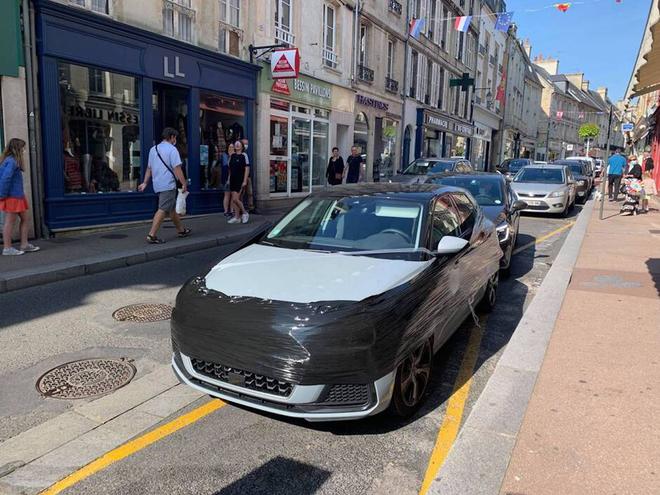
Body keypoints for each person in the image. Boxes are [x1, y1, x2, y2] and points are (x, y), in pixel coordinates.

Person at [138, 128, 191, 244]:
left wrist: (145, 183)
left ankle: (181, 230)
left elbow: (149, 168)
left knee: (171, 209)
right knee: (162, 209)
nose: (175, 140)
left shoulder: (153, 149)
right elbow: (177, 168)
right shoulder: (172, 150)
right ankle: (151, 235)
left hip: (157, 184)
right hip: (168, 184)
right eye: (175, 137)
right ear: (172, 137)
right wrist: (184, 183)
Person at [0, 138, 40, 256]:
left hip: (17, 196)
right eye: (23, 148)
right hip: (13, 197)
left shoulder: (9, 160)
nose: (24, 150)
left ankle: (24, 244)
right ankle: (7, 248)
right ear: (17, 149)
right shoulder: (12, 162)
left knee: (25, 219)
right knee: (10, 222)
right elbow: (5, 179)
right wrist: (2, 195)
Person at [227, 140, 249, 224]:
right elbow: (230, 169)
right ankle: (237, 217)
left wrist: (245, 180)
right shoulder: (232, 156)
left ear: (242, 146)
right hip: (233, 179)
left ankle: (244, 213)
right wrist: (229, 179)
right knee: (234, 199)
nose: (237, 145)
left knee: (236, 199)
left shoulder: (244, 155)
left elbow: (247, 169)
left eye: (239, 144)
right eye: (235, 144)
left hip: (240, 180)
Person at [240, 137, 255, 212]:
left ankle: (251, 208)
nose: (246, 145)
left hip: (248, 176)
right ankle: (240, 208)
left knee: (250, 193)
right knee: (241, 194)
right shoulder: (240, 154)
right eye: (244, 144)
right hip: (241, 177)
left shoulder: (247, 153)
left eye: (247, 144)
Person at [221, 143, 234, 219]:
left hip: (234, 178)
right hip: (226, 178)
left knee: (233, 196)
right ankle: (226, 211)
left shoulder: (235, 156)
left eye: (232, 147)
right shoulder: (225, 156)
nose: (231, 148)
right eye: (230, 147)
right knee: (227, 195)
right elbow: (226, 166)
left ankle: (232, 210)